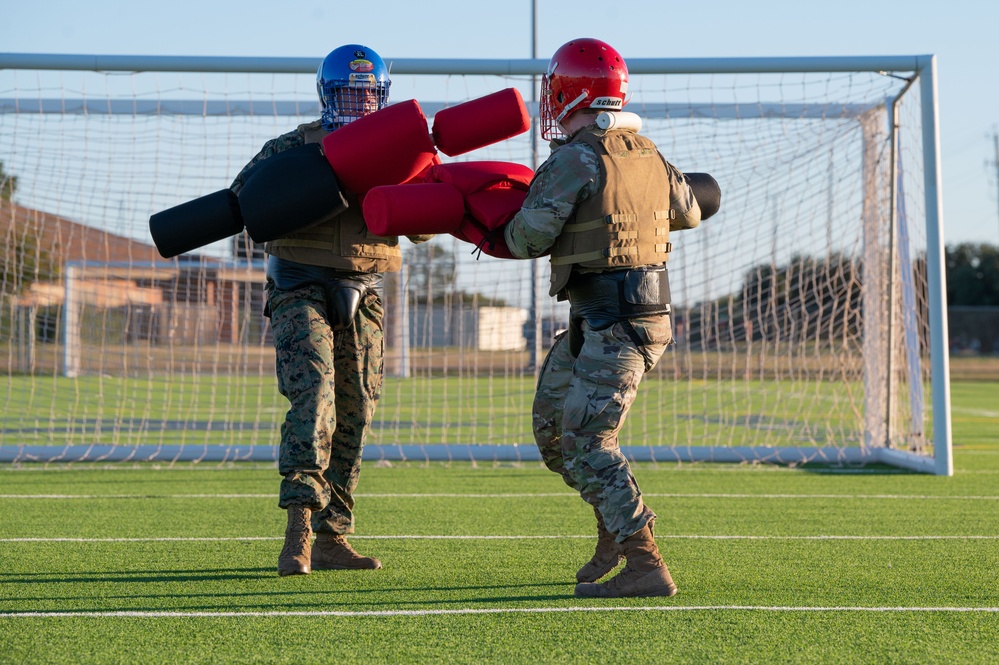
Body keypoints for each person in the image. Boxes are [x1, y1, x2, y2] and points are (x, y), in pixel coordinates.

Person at [503, 38, 702, 597]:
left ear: (568, 91)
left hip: (619, 321)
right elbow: (688, 211)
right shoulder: (649, 150)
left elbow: (527, 238)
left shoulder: (575, 158)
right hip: (604, 318)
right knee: (552, 433)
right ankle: (614, 532)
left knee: (589, 441)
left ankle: (645, 562)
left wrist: (489, 220)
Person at [230, 44, 433, 577]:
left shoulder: (400, 151)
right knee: (315, 393)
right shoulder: (289, 148)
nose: (359, 102)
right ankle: (297, 529)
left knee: (357, 410)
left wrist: (412, 176)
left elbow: (427, 223)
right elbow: (244, 202)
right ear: (327, 94)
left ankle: (333, 537)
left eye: (368, 93)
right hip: (299, 285)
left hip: (364, 290)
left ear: (382, 95)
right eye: (348, 91)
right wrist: (309, 185)